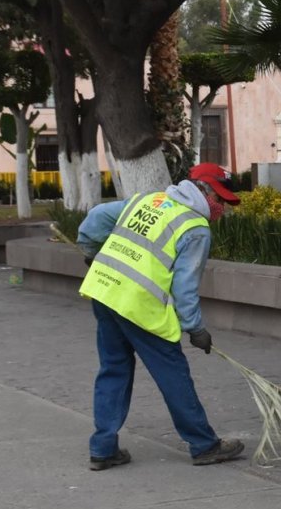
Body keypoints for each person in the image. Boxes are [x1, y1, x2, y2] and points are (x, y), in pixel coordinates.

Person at [76, 163, 243, 471]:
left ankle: (103, 448)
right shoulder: (195, 227)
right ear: (203, 191)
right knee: (172, 372)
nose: (221, 208)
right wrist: (195, 329)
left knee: (113, 368)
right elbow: (185, 287)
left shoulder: (149, 200)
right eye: (219, 199)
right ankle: (204, 444)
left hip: (105, 291)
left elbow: (96, 219)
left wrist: (90, 251)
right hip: (138, 305)